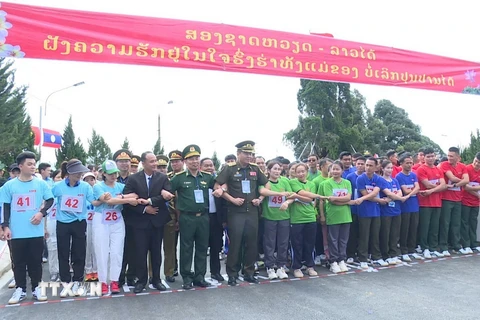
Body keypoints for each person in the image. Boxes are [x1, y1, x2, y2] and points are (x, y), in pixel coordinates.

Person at [214, 141, 283, 286]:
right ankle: (232, 274)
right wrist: (232, 199)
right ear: (238, 153)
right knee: (236, 243)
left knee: (252, 243)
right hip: (235, 211)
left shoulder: (255, 169)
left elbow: (267, 184)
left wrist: (260, 198)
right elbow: (217, 186)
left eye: (251, 153)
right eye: (246, 153)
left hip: (252, 211)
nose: (249, 156)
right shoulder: (230, 168)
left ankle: (249, 272)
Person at [1, 151, 54, 304]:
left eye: (34, 164)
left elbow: (50, 201)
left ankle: (36, 287)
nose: (33, 167)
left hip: (35, 231)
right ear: (20, 166)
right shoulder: (9, 186)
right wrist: (4, 226)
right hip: (16, 232)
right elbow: (4, 207)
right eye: (29, 164)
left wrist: (41, 213)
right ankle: (20, 289)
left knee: (35, 261)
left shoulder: (40, 184)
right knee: (17, 262)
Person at [122, 151, 173, 293]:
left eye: (155, 161)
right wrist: (144, 209)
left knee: (156, 252)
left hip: (157, 221)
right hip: (139, 222)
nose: (155, 164)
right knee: (140, 252)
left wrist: (151, 201)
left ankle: (156, 279)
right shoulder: (133, 179)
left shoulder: (162, 178)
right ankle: (141, 280)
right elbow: (127, 199)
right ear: (143, 163)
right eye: (151, 161)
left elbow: (167, 195)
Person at [170, 145, 215, 289]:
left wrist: (222, 189)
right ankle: (187, 277)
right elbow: (167, 191)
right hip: (187, 217)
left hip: (203, 217)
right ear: (185, 161)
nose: (194, 161)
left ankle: (199, 276)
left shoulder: (207, 177)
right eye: (191, 159)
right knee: (186, 248)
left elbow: (219, 187)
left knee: (202, 247)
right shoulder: (179, 178)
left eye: (197, 158)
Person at [93, 160, 139, 295]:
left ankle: (114, 281)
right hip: (101, 220)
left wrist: (122, 197)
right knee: (101, 251)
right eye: (110, 174)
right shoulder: (98, 186)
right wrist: (125, 200)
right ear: (104, 174)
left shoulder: (120, 186)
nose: (114, 176)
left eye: (115, 173)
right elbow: (109, 201)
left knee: (116, 252)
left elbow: (134, 195)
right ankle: (102, 281)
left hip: (117, 220)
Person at [51, 159, 95, 297]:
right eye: (77, 172)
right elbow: (48, 199)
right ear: (69, 173)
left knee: (79, 252)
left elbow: (93, 201)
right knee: (63, 253)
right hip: (62, 223)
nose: (80, 174)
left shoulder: (85, 187)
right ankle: (66, 282)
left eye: (81, 172)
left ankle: (77, 280)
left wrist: (105, 199)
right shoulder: (58, 187)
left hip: (79, 222)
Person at [260, 161, 292, 280]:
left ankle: (281, 266)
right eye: (274, 169)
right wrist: (279, 193)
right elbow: (263, 192)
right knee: (270, 243)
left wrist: (287, 202)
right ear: (268, 170)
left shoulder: (285, 181)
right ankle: (270, 267)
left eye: (279, 169)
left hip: (284, 217)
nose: (277, 171)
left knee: (283, 243)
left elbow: (291, 195)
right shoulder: (264, 182)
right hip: (269, 218)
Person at [318, 161, 352, 273]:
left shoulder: (347, 183)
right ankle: (333, 261)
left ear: (342, 171)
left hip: (346, 216)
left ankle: (342, 259)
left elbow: (348, 197)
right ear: (330, 170)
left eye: (338, 169)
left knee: (343, 240)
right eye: (333, 169)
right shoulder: (326, 184)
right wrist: (322, 215)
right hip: (332, 215)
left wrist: (343, 200)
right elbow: (329, 200)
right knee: (333, 240)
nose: (335, 171)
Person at [288, 163, 319, 278]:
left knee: (310, 243)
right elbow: (305, 195)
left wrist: (296, 196)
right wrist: (299, 196)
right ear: (295, 173)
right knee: (297, 244)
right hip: (296, 218)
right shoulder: (292, 182)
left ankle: (309, 266)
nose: (301, 174)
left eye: (303, 171)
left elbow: (311, 198)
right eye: (298, 172)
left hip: (310, 217)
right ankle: (297, 267)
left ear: (307, 171)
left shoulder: (312, 184)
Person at [438, 147, 469, 256]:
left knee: (456, 223)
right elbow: (452, 177)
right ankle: (443, 246)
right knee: (445, 223)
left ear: (457, 157)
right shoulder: (445, 164)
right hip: (446, 198)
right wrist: (463, 182)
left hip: (458, 199)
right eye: (448, 155)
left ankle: (456, 245)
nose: (449, 158)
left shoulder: (463, 166)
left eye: (452, 156)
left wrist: (457, 184)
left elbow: (466, 180)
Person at [416, 147, 446, 259]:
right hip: (425, 204)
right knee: (425, 227)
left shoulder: (439, 170)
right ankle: (424, 248)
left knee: (434, 227)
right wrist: (438, 187)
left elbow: (443, 185)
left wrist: (432, 191)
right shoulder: (421, 169)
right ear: (424, 157)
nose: (431, 158)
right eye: (428, 156)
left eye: (432, 156)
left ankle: (433, 248)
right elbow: (427, 184)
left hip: (437, 203)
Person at [378, 160, 409, 265]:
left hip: (396, 211)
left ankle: (393, 254)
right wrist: (399, 198)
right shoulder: (381, 180)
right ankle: (385, 255)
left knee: (395, 234)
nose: (390, 170)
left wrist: (395, 197)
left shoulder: (395, 181)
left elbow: (399, 193)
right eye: (387, 168)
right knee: (385, 234)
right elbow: (388, 193)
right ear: (382, 168)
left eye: (391, 168)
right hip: (385, 212)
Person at [200, 157, 225, 282]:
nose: (209, 168)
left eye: (211, 165)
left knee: (216, 246)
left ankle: (216, 272)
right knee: (202, 248)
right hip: (202, 217)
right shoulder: (199, 182)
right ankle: (200, 274)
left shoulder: (219, 183)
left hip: (216, 218)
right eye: (206, 166)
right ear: (200, 168)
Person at [395, 154, 422, 261]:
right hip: (404, 207)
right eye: (407, 163)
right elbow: (405, 190)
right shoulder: (399, 176)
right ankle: (403, 250)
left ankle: (412, 249)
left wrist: (410, 194)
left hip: (414, 206)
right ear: (401, 164)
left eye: (411, 163)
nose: (410, 165)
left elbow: (418, 187)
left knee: (413, 229)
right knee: (404, 230)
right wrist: (412, 192)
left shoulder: (413, 175)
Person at [44, 169, 63, 282]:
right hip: (51, 222)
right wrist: (44, 227)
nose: (59, 180)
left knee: (66, 248)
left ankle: (64, 270)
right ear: (53, 179)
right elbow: (44, 210)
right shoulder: (49, 193)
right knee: (52, 247)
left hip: (64, 222)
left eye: (62, 177)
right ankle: (54, 271)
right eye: (58, 177)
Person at [461, 152, 480, 253]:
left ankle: (473, 243)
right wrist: (477, 192)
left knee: (473, 223)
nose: (477, 164)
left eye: (479, 163)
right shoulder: (467, 169)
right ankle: (466, 244)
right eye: (476, 161)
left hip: (476, 203)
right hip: (465, 200)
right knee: (465, 223)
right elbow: (466, 186)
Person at [83, 172, 98, 282]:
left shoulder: (98, 193)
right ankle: (88, 271)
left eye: (91, 180)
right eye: (86, 180)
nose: (89, 182)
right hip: (86, 223)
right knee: (87, 247)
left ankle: (96, 270)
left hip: (97, 223)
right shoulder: (82, 193)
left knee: (97, 247)